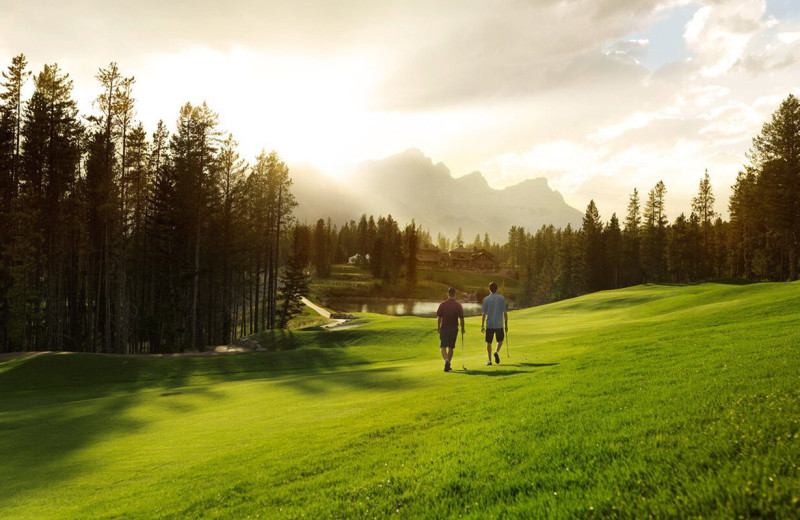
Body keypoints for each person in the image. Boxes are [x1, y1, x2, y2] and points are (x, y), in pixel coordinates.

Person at [436, 287, 465, 372]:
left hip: (444, 328)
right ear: (454, 294)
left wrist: (438, 327)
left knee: (443, 347)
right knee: (451, 348)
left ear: (448, 294)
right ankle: (448, 365)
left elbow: (439, 318)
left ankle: (446, 361)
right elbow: (462, 319)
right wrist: (463, 328)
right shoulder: (458, 305)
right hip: (454, 329)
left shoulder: (443, 304)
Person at [481, 281, 508, 365]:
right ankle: (496, 351)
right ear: (497, 289)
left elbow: (484, 314)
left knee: (489, 342)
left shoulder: (486, 299)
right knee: (500, 340)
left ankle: (489, 361)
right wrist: (506, 325)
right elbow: (505, 312)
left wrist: (482, 325)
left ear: (489, 289)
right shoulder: (502, 298)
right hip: (499, 324)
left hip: (490, 324)